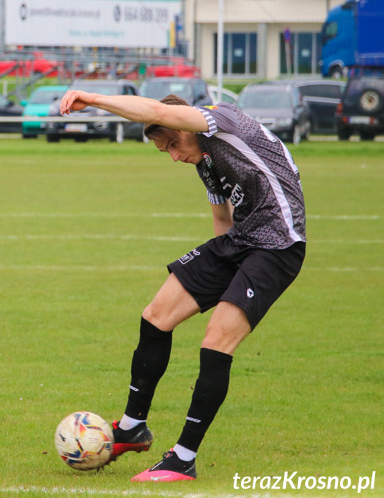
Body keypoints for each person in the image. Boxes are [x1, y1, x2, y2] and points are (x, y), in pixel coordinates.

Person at [59, 90, 306, 482]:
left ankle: (183, 458)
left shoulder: (223, 120)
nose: (174, 154)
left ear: (184, 123)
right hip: (239, 241)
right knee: (156, 315)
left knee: (215, 340)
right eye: (165, 151)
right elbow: (222, 223)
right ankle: (132, 427)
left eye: (174, 142)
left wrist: (92, 98)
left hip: (278, 244)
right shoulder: (205, 164)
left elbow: (158, 109)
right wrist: (216, 272)